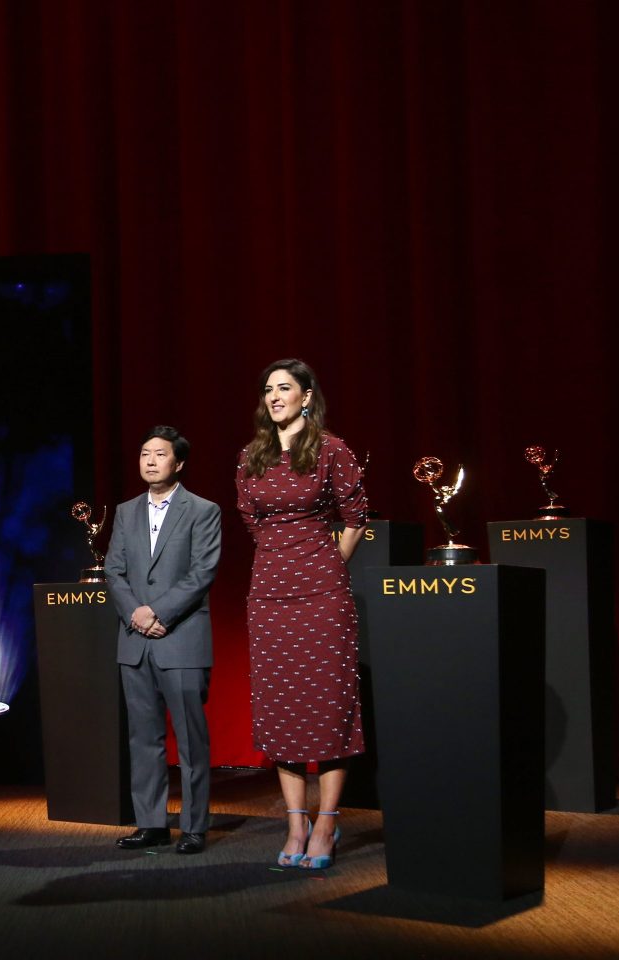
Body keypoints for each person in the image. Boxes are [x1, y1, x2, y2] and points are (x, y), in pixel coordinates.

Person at [236, 358, 367, 870]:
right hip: (268, 596)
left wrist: (327, 565)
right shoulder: (251, 455)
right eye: (268, 389)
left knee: (327, 706)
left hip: (322, 595)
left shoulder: (333, 450)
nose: (274, 396)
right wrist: (282, 560)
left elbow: (355, 516)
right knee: (282, 708)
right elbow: (250, 518)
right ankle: (295, 824)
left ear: (307, 396)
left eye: (284, 388)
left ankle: (327, 823)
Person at [105, 426, 222, 855]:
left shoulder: (203, 510)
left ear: (179, 463)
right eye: (144, 454)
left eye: (159, 454)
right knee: (143, 737)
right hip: (135, 641)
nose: (150, 461)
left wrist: (159, 612)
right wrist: (136, 614)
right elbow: (114, 571)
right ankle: (151, 823)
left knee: (191, 740)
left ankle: (194, 827)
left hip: (182, 639)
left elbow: (202, 572)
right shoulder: (125, 511)